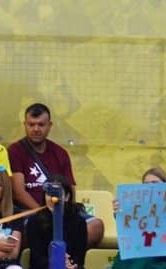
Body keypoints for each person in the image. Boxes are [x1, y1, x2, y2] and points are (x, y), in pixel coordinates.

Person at [8, 103, 103, 251]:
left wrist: (60, 214)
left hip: (61, 211)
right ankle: (56, 259)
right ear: (25, 124)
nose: (36, 129)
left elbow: (70, 190)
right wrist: (44, 213)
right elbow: (18, 192)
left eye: (41, 124)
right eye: (31, 124)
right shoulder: (15, 151)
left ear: (50, 125)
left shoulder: (60, 153)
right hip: (31, 213)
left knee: (95, 227)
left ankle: (65, 259)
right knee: (32, 230)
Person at [109, 167, 166, 269]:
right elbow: (122, 219)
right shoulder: (130, 207)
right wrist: (119, 211)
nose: (150, 187)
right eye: (146, 184)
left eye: (155, 183)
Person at [23, 179, 90, 269]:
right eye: (49, 194)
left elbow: (80, 256)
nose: (52, 198)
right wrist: (57, 261)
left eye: (57, 194)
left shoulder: (79, 222)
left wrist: (70, 264)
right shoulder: (34, 222)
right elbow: (37, 256)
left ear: (67, 197)